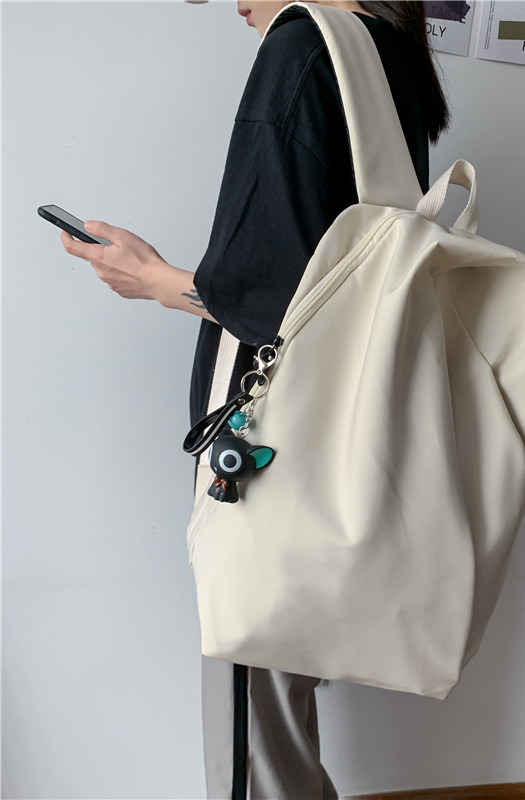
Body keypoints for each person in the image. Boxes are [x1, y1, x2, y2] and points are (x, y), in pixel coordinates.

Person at [59, 1, 450, 797]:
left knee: (253, 736)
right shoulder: (386, 50)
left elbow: (276, 299)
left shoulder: (302, 47)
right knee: (278, 709)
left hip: (266, 439)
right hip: (348, 435)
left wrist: (152, 278)